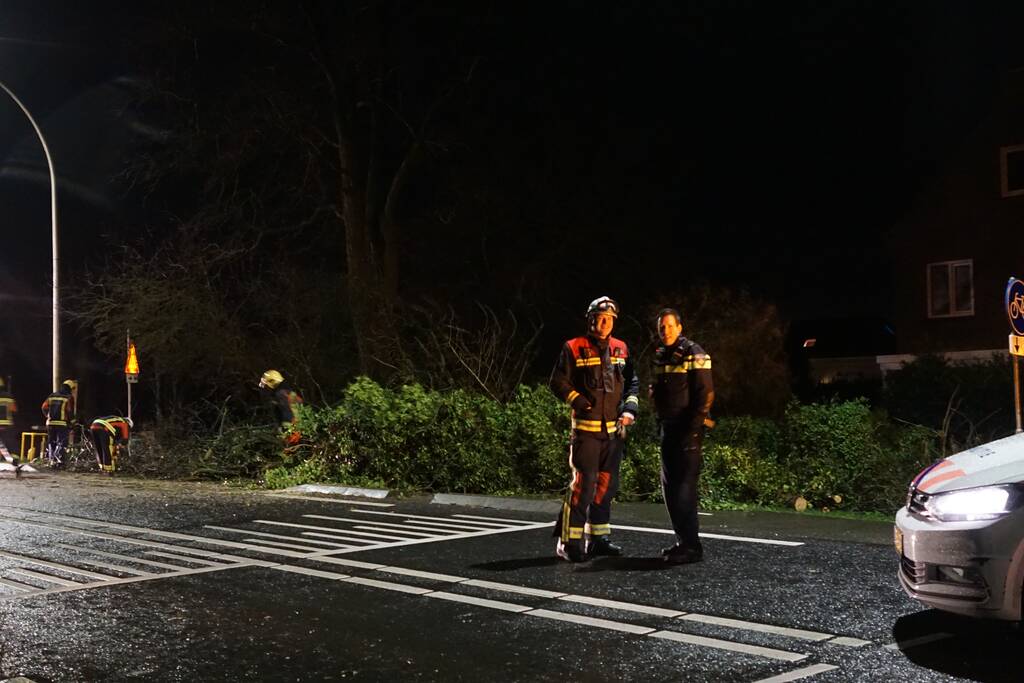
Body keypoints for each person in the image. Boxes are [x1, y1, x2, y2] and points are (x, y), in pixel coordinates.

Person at [549, 296, 639, 562]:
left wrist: (629, 410)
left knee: (606, 487)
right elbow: (557, 381)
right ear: (590, 319)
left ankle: (598, 539)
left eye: (609, 319)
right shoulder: (573, 347)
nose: (604, 323)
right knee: (583, 486)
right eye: (599, 318)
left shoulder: (621, 349)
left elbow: (632, 383)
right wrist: (577, 400)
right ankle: (568, 543)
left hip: (613, 433)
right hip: (586, 432)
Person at [650, 308, 714, 564]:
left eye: (669, 326)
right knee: (670, 487)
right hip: (668, 427)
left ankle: (692, 546)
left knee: (685, 488)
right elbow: (657, 390)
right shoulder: (660, 356)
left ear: (680, 327)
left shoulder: (694, 352)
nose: (665, 331)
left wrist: (694, 427)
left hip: (688, 430)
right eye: (661, 327)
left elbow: (705, 393)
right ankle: (681, 541)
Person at [259, 369, 303, 445]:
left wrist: (286, 435)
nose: (266, 388)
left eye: (266, 385)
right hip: (302, 427)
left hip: (294, 434)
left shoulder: (280, 395)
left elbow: (288, 415)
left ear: (272, 383)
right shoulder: (289, 391)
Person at [41, 379, 76, 469]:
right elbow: (69, 411)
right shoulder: (68, 397)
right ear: (70, 388)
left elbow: (44, 407)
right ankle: (60, 462)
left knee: (51, 441)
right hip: (62, 424)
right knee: (62, 442)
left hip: (50, 423)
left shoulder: (52, 395)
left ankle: (51, 460)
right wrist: (72, 423)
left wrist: (48, 416)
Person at [0, 376, 17, 461]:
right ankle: (13, 458)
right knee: (10, 442)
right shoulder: (8, 396)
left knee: (1, 444)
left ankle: (7, 458)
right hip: (8, 424)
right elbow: (14, 409)